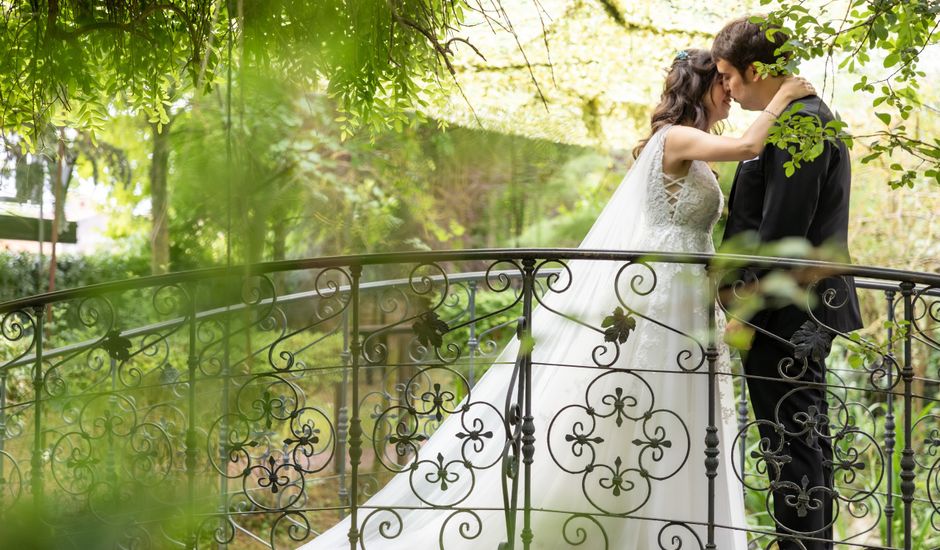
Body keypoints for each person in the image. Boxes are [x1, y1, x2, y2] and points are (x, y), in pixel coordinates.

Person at [299, 50, 813, 549]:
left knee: (673, 410)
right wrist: (784, 95)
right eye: (721, 82)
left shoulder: (693, 144)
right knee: (634, 406)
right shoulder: (675, 137)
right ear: (701, 87)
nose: (730, 91)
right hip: (658, 294)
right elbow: (749, 147)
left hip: (686, 295)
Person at [712, 16, 864, 550]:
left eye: (729, 76)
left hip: (790, 313)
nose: (726, 86)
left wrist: (744, 312)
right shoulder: (801, 117)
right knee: (801, 440)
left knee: (792, 442)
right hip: (794, 309)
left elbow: (785, 234)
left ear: (754, 70)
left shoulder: (801, 124)